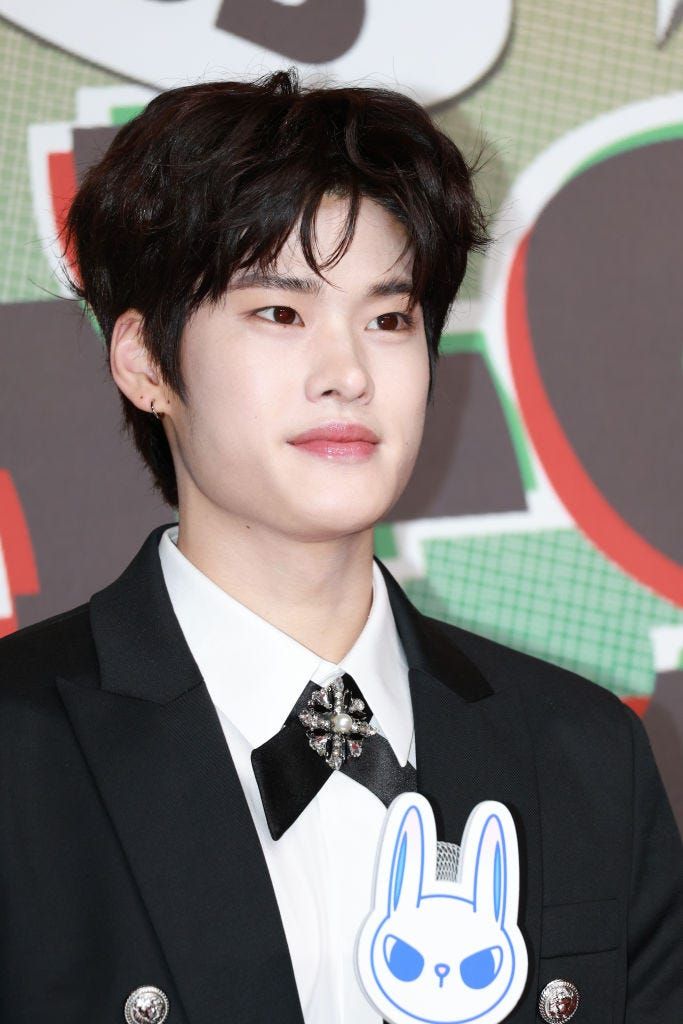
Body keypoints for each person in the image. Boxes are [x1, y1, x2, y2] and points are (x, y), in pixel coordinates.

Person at [1, 70, 681, 1024]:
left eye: (388, 319)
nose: (348, 374)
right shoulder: (21, 750)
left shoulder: (582, 754)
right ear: (145, 360)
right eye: (279, 313)